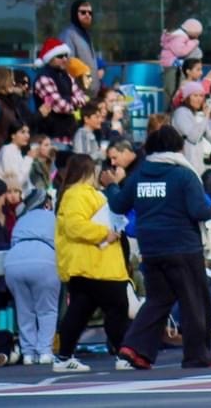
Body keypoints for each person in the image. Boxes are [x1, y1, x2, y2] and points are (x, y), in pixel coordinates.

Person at [108, 125, 211, 370]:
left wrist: (111, 185)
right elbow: (198, 210)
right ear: (177, 147)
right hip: (182, 245)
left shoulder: (139, 174)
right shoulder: (183, 174)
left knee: (158, 300)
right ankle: (196, 355)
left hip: (150, 248)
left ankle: (134, 347)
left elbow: (118, 205)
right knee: (194, 301)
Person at [52, 154, 132, 373]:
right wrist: (104, 234)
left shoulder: (74, 193)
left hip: (88, 265)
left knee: (79, 312)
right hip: (97, 265)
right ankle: (123, 354)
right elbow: (75, 226)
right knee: (116, 308)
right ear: (88, 171)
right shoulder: (78, 194)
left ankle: (64, 356)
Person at [5, 187, 58, 366]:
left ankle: (28, 353)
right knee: (47, 309)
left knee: (24, 309)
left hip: (13, 261)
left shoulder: (21, 220)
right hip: (44, 259)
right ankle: (44, 351)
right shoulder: (53, 217)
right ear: (47, 203)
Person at [32, 39, 88, 146]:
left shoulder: (67, 76)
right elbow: (60, 107)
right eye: (60, 56)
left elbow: (83, 98)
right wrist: (74, 102)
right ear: (50, 58)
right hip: (52, 138)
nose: (65, 59)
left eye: (66, 55)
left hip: (70, 136)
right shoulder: (44, 78)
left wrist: (68, 100)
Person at [172, 81, 211, 177]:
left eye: (201, 96)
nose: (199, 99)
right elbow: (194, 137)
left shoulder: (199, 115)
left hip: (199, 166)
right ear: (187, 97)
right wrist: (205, 117)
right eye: (195, 96)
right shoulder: (181, 113)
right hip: (185, 165)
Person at [60, 0, 101, 84]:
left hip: (90, 93)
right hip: (78, 94)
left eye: (90, 13)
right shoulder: (69, 34)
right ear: (75, 14)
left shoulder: (85, 34)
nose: (87, 15)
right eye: (83, 12)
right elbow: (68, 63)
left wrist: (101, 65)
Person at [0, 120, 34, 196]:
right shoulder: (7, 151)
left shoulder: (17, 151)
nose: (27, 135)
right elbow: (16, 182)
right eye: (23, 132)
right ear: (13, 135)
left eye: (28, 132)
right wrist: (29, 159)